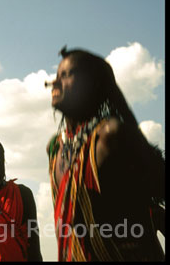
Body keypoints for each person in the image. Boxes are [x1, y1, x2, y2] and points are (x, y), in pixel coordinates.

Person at [46, 47, 165, 261]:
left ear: (92, 85)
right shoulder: (55, 148)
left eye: (66, 75)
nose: (54, 83)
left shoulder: (110, 136)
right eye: (56, 76)